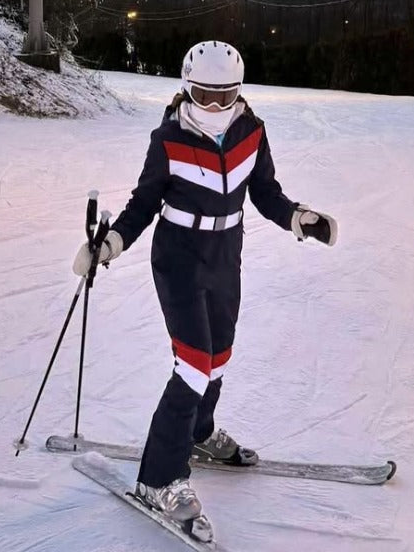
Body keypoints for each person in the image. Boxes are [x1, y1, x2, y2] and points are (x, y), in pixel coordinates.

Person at [72, 39, 337, 538]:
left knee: (220, 355)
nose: (214, 106)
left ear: (238, 91)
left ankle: (198, 432)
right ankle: (159, 477)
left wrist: (299, 218)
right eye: (203, 95)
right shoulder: (168, 137)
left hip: (224, 255)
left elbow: (265, 193)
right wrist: (108, 245)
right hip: (177, 256)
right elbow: (143, 202)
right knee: (193, 364)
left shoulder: (251, 132)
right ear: (185, 87)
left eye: (224, 96)